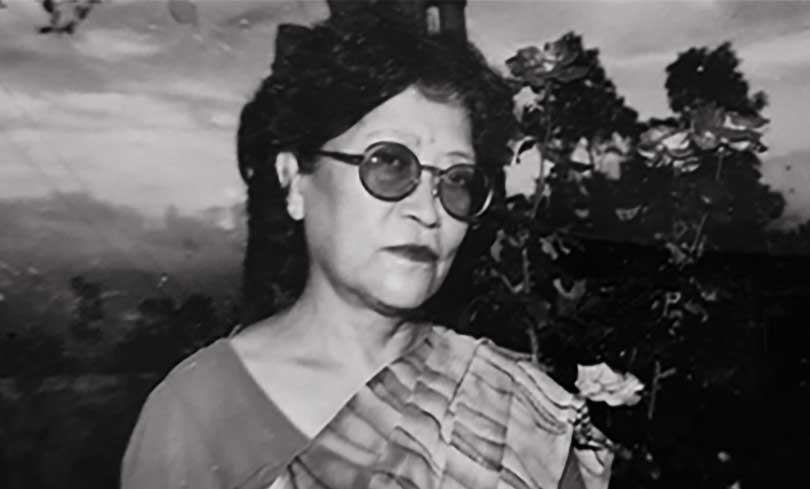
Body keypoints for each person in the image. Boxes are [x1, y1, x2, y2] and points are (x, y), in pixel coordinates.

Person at [121, 6, 613, 489]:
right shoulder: (199, 414)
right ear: (294, 181)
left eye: (456, 180)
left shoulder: (511, 408)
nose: (428, 211)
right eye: (389, 164)